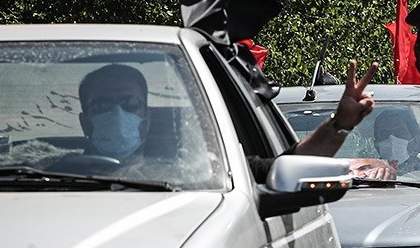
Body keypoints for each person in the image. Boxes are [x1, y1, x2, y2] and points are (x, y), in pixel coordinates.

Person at [75, 60, 380, 183]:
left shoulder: (204, 174)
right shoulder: (46, 178)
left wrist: (340, 124)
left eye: (129, 104)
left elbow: (292, 166)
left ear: (147, 117)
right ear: (85, 123)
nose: (117, 114)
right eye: (102, 105)